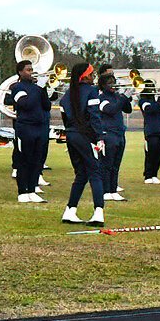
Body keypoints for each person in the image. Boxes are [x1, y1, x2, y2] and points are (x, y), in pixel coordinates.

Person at [58, 63, 105, 226]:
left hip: (71, 135)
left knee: (81, 174)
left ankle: (70, 210)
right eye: (91, 74)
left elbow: (65, 117)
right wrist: (99, 138)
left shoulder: (67, 94)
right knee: (95, 173)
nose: (93, 77)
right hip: (86, 136)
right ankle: (99, 213)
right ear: (84, 76)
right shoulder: (91, 91)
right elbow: (94, 116)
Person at [8, 60, 52, 203]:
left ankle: (32, 189)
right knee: (24, 160)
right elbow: (25, 104)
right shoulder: (17, 87)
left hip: (39, 127)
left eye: (31, 69)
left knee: (36, 160)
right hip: (25, 127)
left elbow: (47, 106)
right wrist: (38, 88)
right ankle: (22, 191)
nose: (31, 72)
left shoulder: (36, 88)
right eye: (28, 70)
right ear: (20, 72)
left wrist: (44, 89)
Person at [93, 73, 132, 202]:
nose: (112, 84)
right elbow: (111, 110)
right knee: (107, 164)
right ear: (103, 85)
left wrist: (126, 97)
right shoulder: (101, 98)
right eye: (109, 82)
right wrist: (123, 98)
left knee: (116, 165)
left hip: (119, 134)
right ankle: (106, 191)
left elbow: (128, 110)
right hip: (108, 134)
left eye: (113, 82)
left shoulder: (117, 97)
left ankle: (113, 190)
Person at [137, 80, 160, 186]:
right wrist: (159, 100)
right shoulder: (143, 101)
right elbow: (150, 110)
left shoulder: (156, 101)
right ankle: (148, 175)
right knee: (150, 154)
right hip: (150, 131)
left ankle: (154, 174)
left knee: (158, 154)